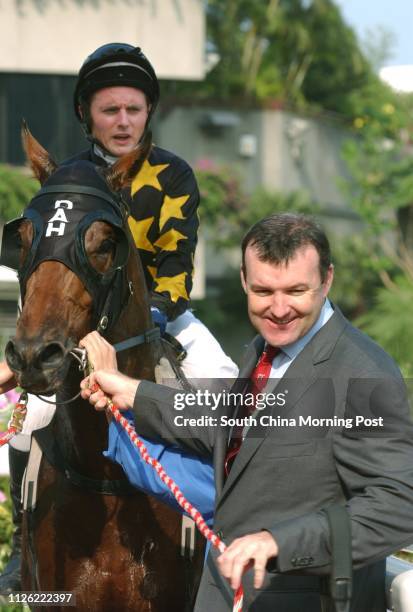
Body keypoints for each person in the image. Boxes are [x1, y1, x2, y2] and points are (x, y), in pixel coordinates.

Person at [81, 213, 413, 612]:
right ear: (243, 279)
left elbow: (399, 504)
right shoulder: (264, 350)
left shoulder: (364, 374)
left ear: (327, 280)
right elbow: (235, 425)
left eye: (296, 291)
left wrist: (279, 542)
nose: (278, 309)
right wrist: (133, 391)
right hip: (222, 595)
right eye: (262, 290)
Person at [0, 42, 237, 592]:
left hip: (160, 318)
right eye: (110, 110)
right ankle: (21, 553)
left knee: (223, 387)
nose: (123, 121)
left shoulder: (173, 175)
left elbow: (178, 265)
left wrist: (146, 320)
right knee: (26, 420)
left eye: (134, 109)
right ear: (86, 114)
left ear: (149, 111)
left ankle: (230, 534)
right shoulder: (66, 180)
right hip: (76, 326)